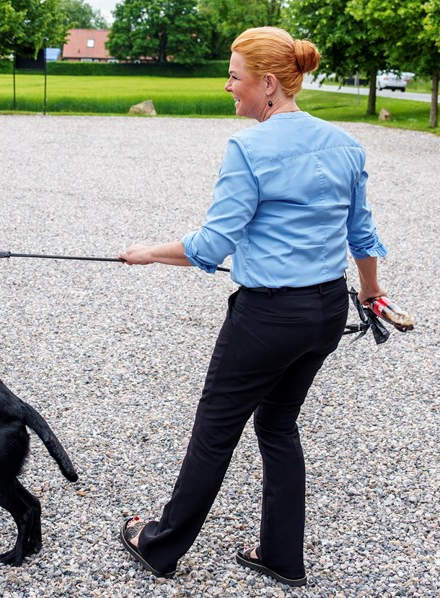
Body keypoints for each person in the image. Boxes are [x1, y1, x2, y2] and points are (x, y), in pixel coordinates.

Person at [116, 26, 392, 587]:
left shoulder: (248, 147)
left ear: (268, 84)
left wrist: (146, 252)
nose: (227, 86)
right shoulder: (345, 144)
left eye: (235, 77)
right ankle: (280, 557)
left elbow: (211, 246)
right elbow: (361, 238)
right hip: (324, 315)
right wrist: (370, 293)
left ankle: (160, 545)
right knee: (278, 425)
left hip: (268, 318)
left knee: (216, 430)